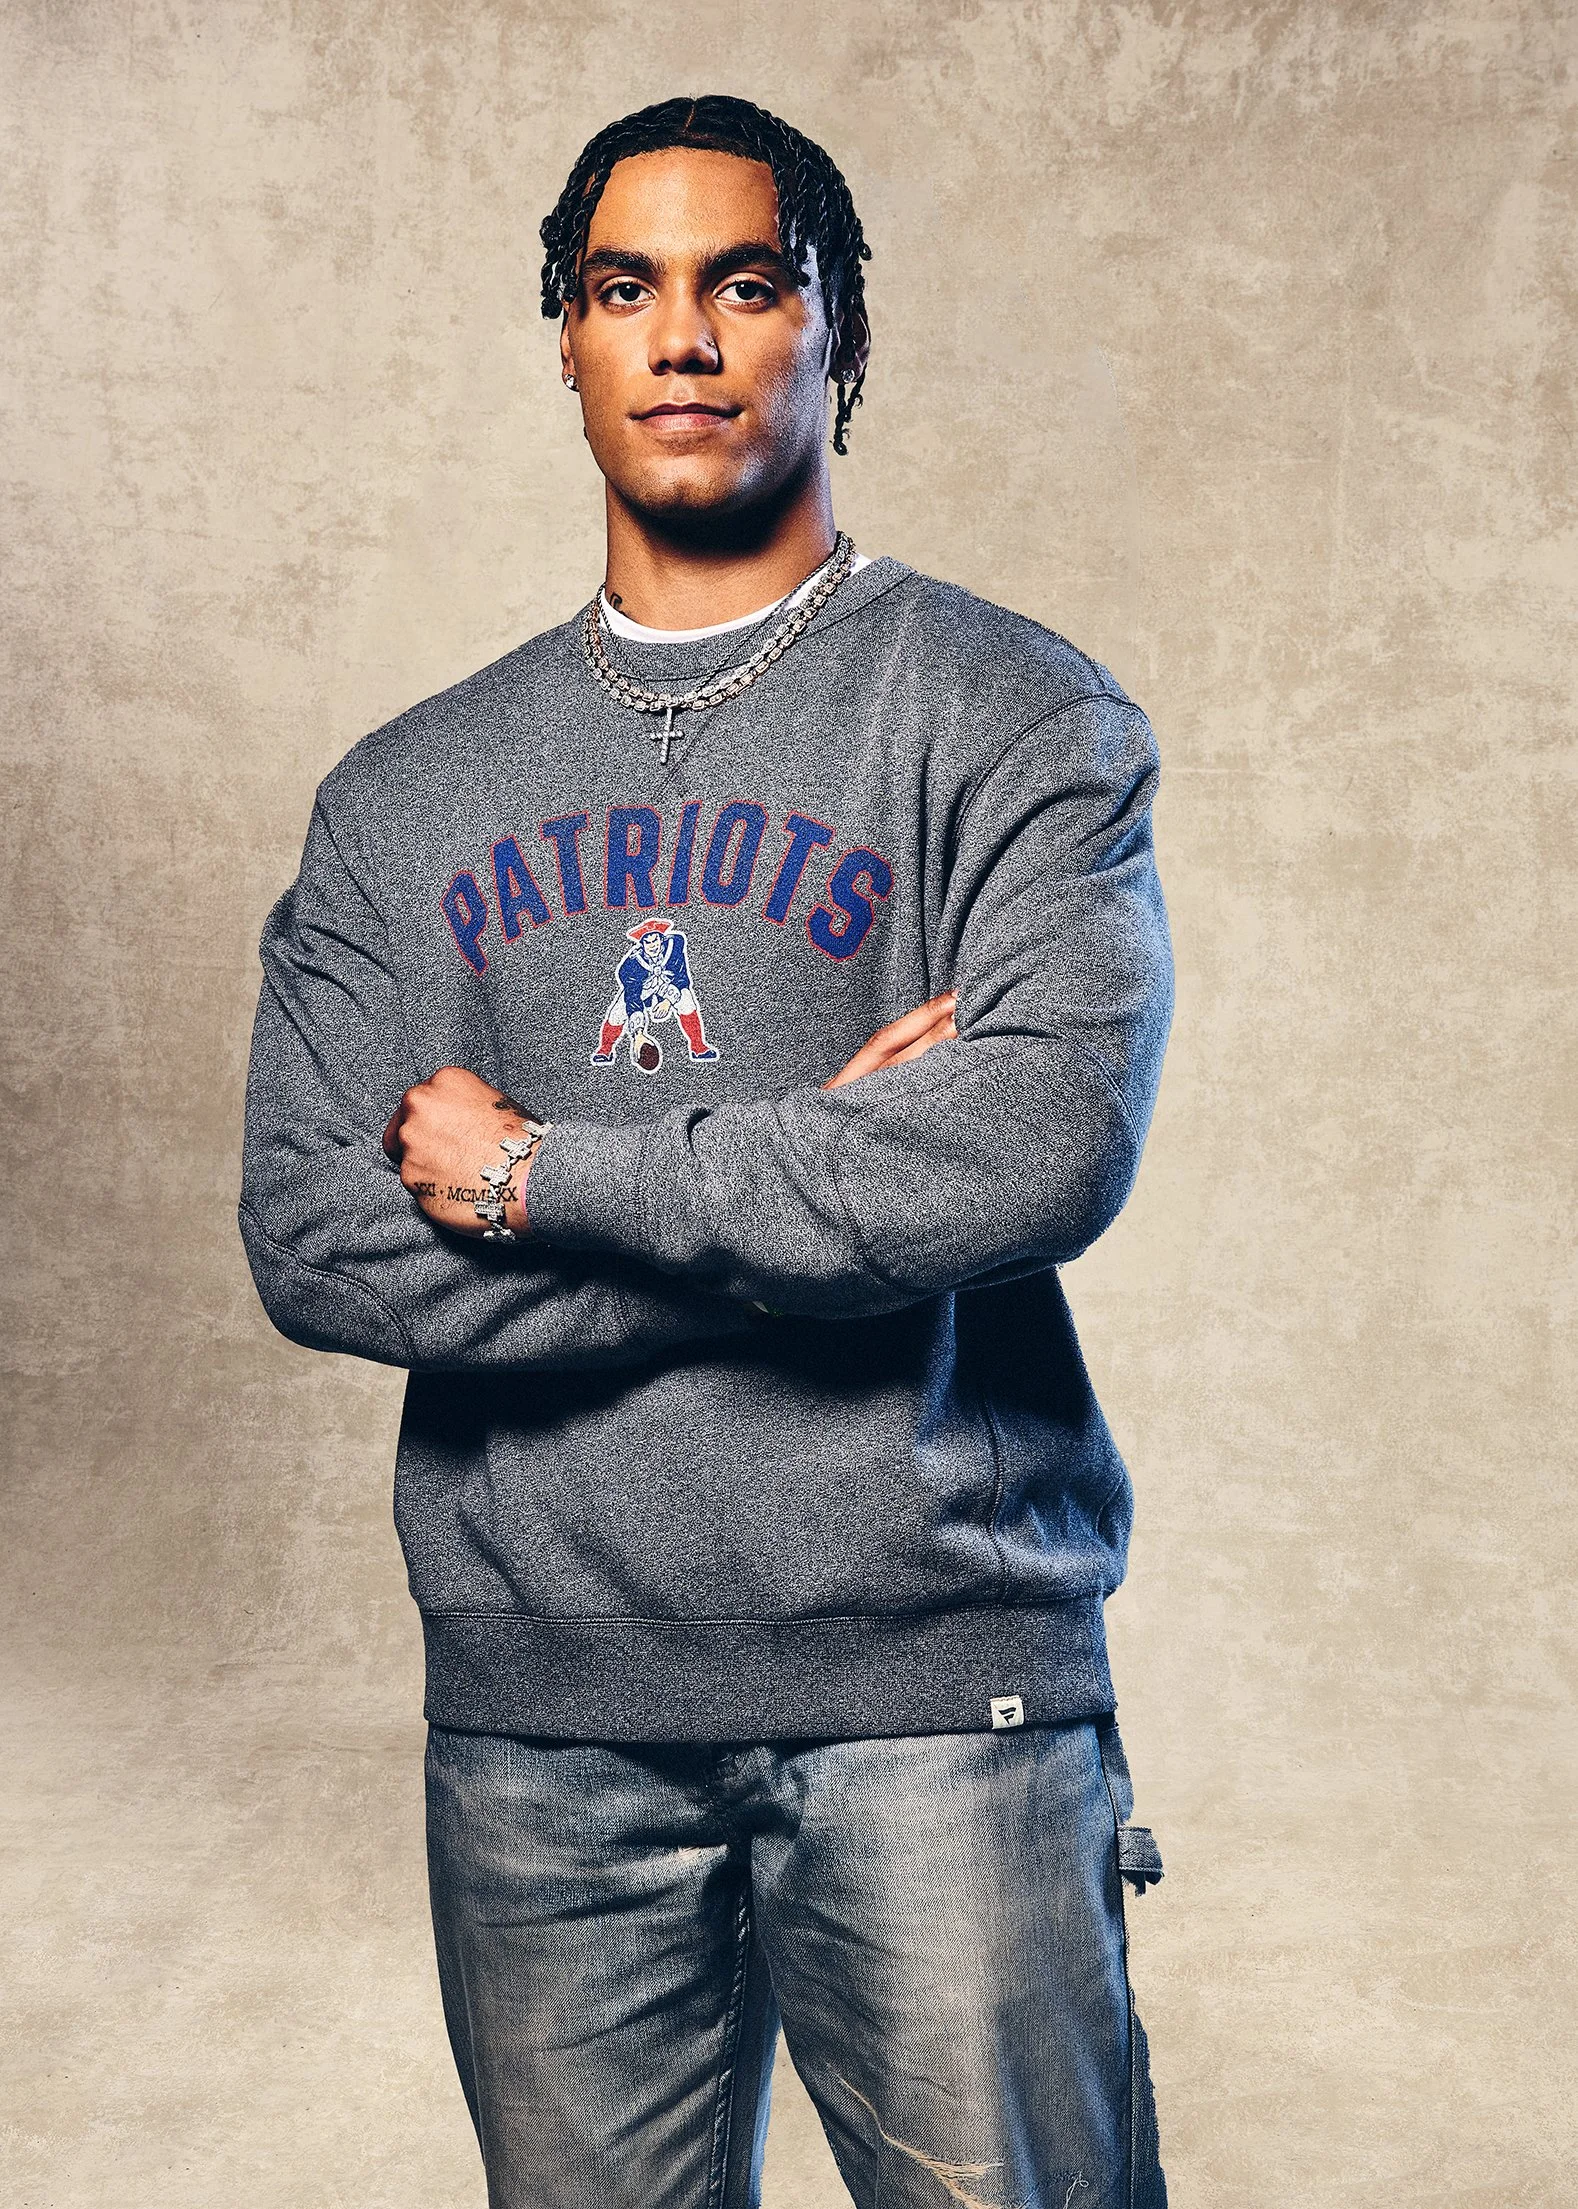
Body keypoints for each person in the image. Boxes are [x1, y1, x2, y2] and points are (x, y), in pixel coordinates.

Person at [239, 91, 1174, 2209]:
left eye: (748, 284)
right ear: (562, 341)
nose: (685, 339)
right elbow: (312, 1235)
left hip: (944, 1703)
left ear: (840, 337)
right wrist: (817, 1174)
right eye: (625, 290)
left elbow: (1027, 1153)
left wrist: (535, 1175)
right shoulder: (406, 797)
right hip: (540, 1725)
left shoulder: (1013, 717)